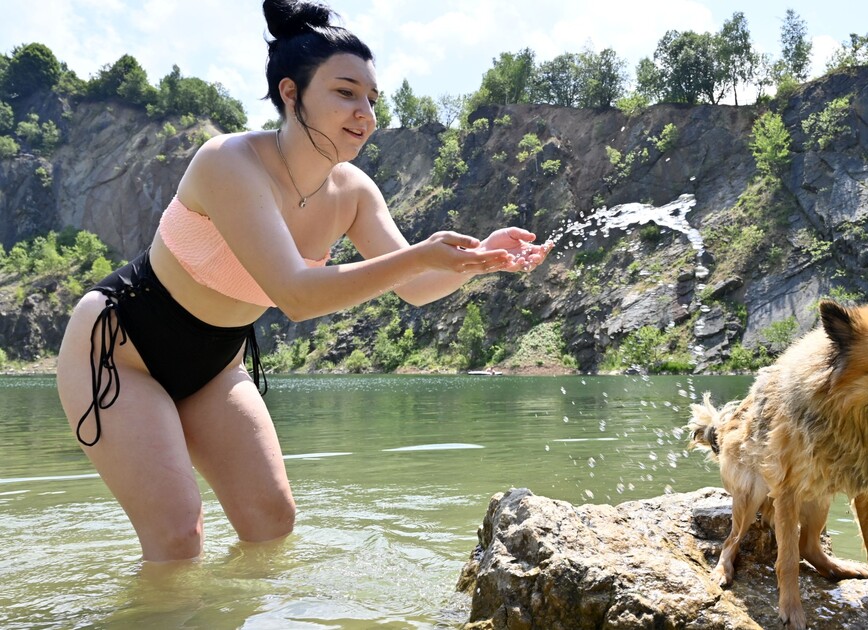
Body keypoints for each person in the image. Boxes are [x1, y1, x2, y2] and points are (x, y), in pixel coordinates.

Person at [55, 0, 552, 563]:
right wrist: (420, 257)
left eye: (371, 98)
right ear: (291, 93)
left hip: (216, 362)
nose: (364, 111)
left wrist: (478, 261)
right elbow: (296, 294)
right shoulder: (229, 161)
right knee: (177, 537)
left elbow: (413, 287)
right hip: (119, 349)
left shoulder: (355, 193)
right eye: (345, 92)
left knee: (271, 523)